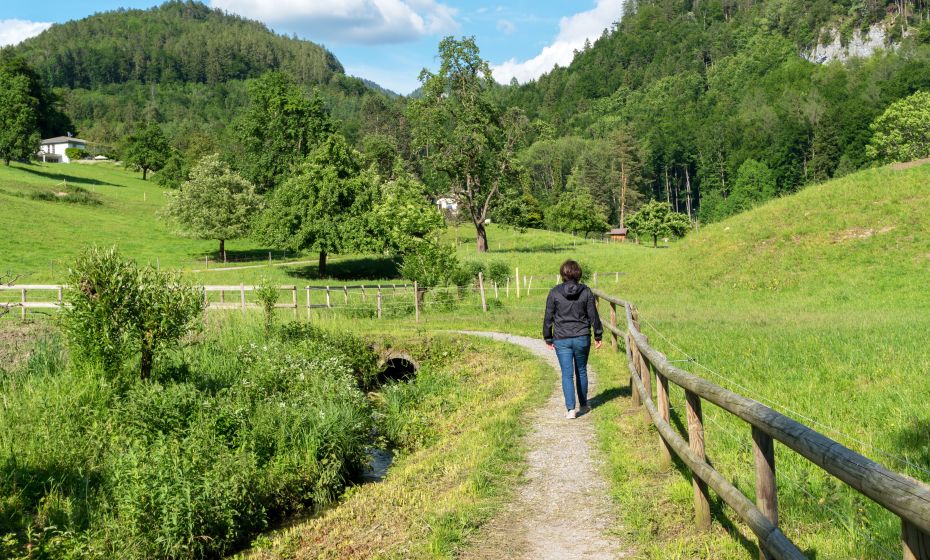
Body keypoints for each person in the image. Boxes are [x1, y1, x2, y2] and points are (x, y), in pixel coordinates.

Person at [543, 260, 603, 419]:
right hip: (582, 336)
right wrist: (598, 335)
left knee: (566, 374)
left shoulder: (554, 292)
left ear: (562, 274)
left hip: (562, 338)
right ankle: (583, 405)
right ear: (578, 274)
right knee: (581, 370)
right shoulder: (586, 292)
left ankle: (570, 409)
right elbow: (593, 315)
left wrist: (548, 337)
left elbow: (548, 317)